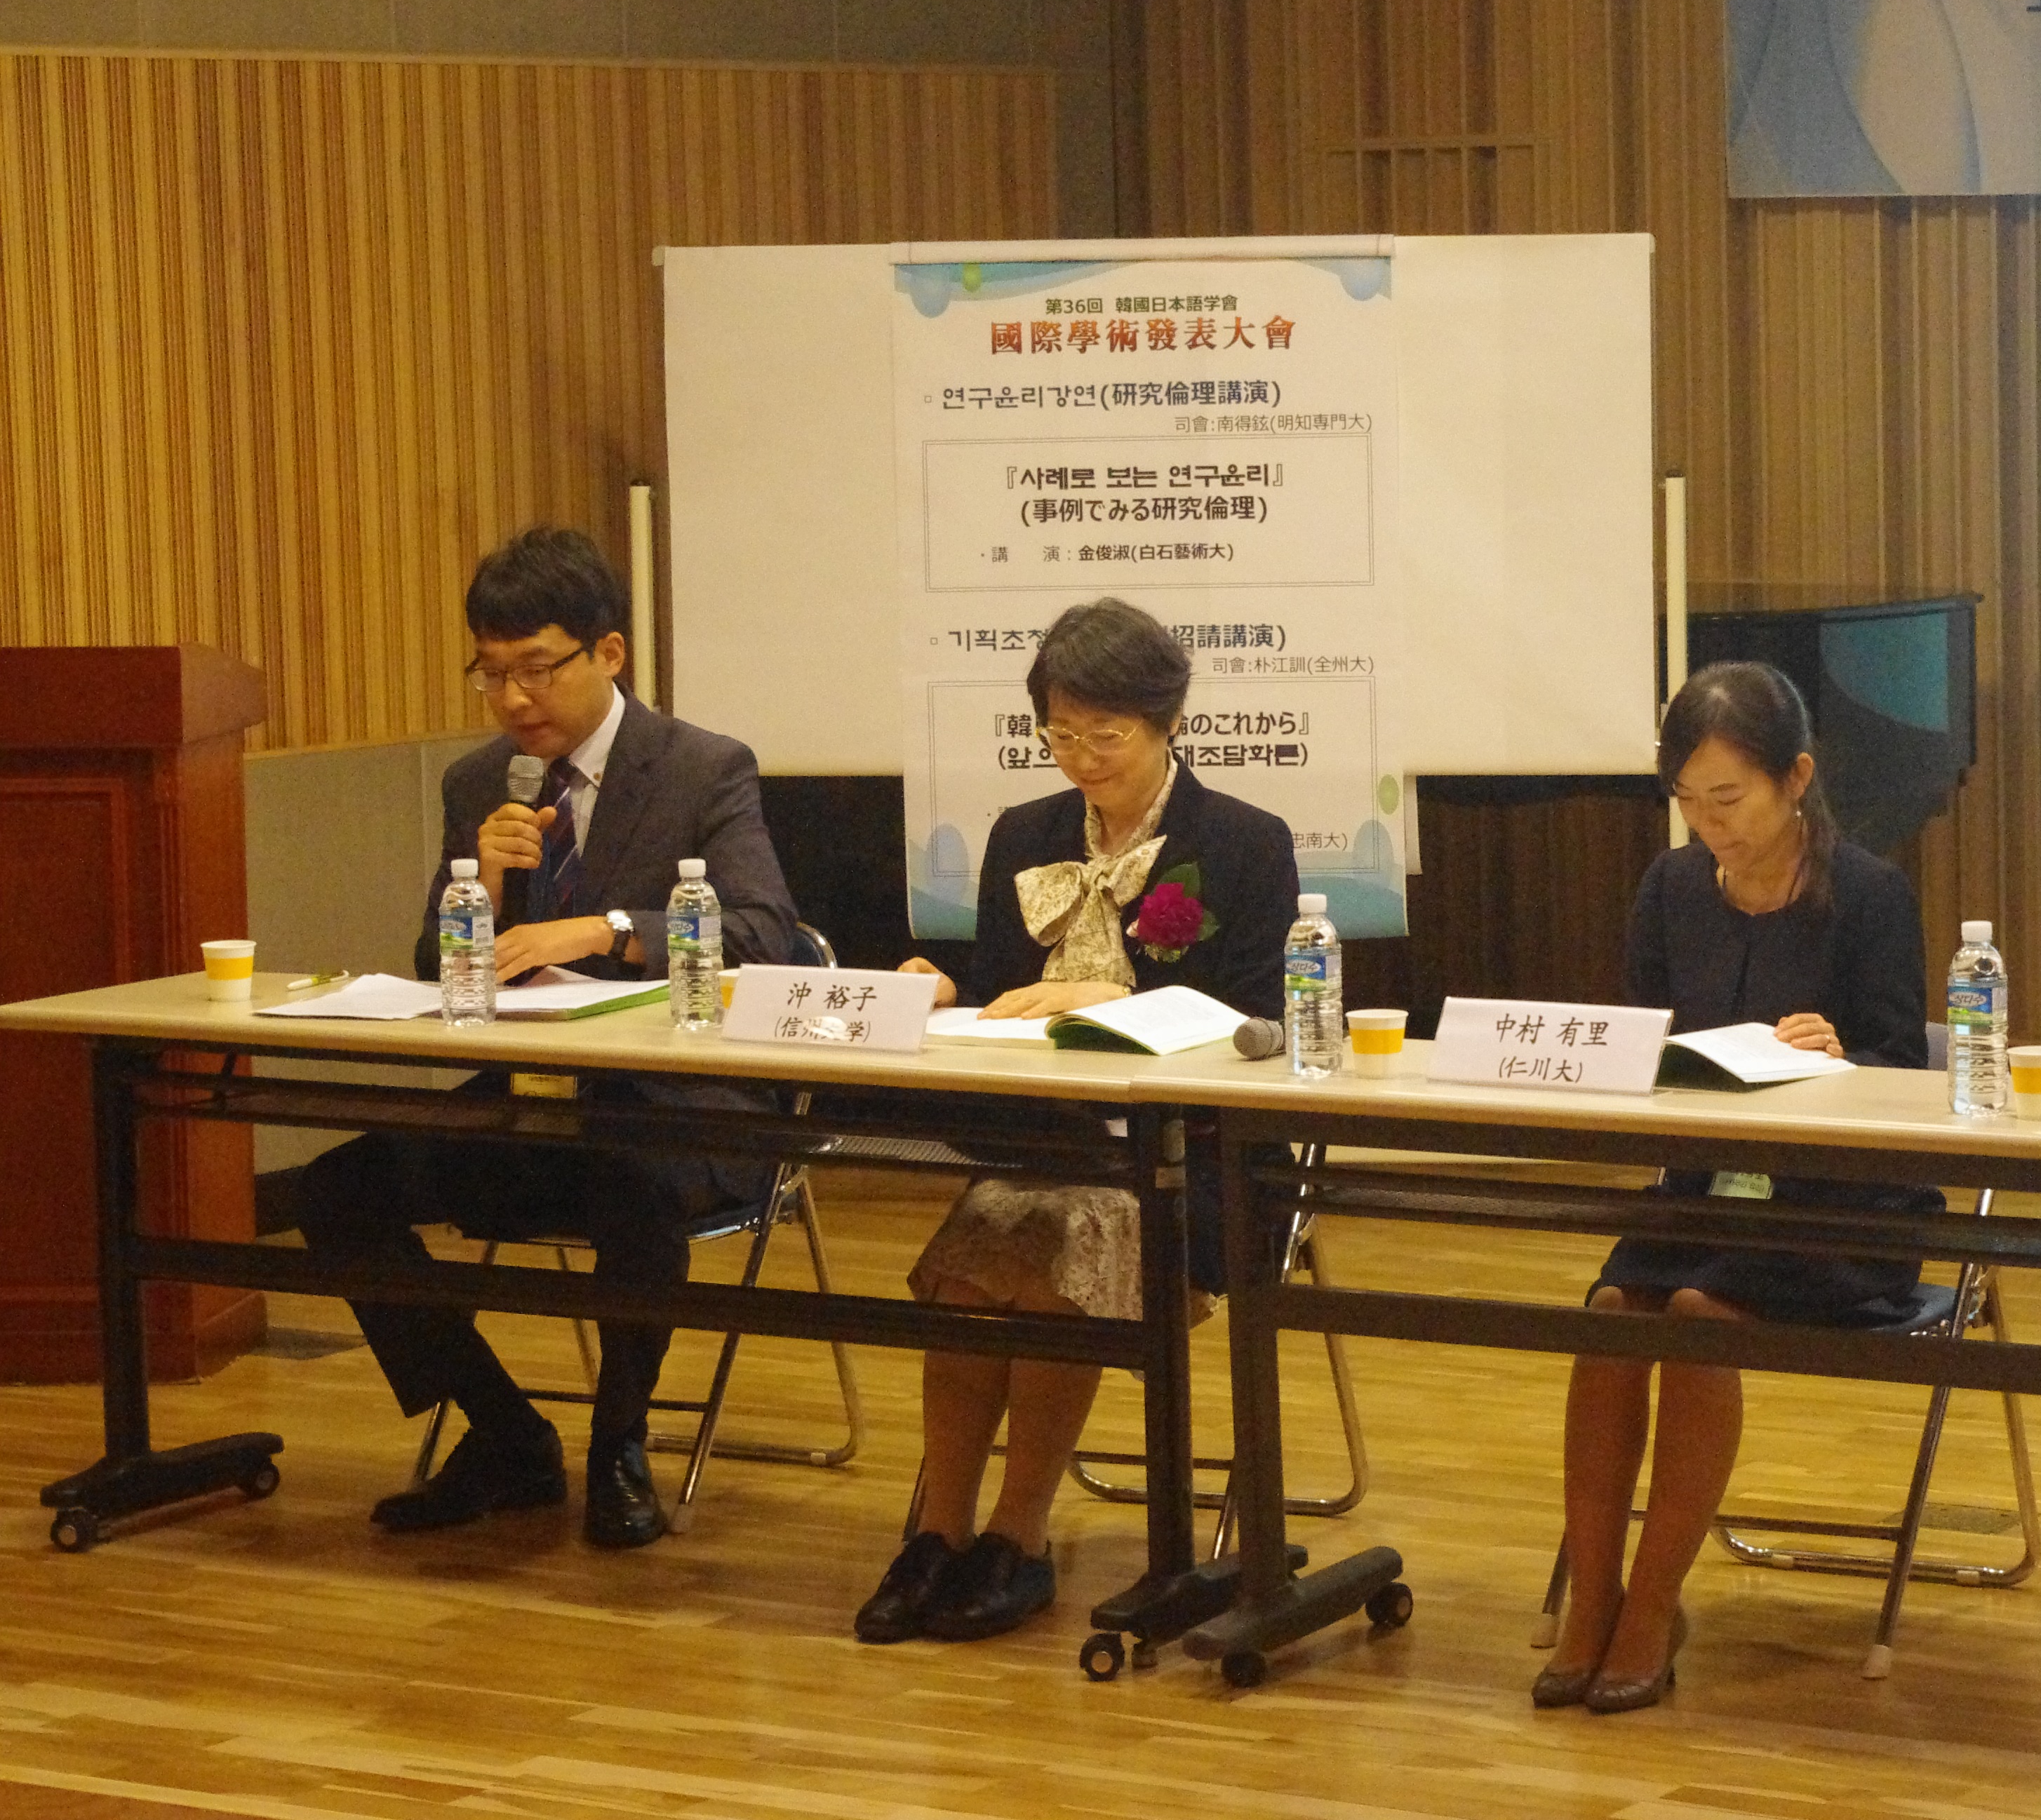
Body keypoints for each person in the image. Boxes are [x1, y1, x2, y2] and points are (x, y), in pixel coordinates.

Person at [297, 527, 802, 1549]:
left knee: (629, 1178)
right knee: (336, 1189)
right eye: (492, 674)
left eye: (537, 669)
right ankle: (505, 1432)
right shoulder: (481, 781)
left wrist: (606, 931)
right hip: (527, 1096)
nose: (514, 699)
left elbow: (764, 934)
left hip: (681, 1107)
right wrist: (476, 886)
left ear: (609, 653)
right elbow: (440, 967)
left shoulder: (703, 768)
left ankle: (620, 1442)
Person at [852, 597, 1298, 1645]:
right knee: (968, 1277)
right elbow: (1005, 999)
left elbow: (1263, 1024)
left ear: (1169, 723)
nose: (1082, 758)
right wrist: (947, 995)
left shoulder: (1245, 842)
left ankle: (1018, 1537)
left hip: (1193, 1165)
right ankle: (938, 1534)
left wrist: (1118, 999)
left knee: (1056, 1259)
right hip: (1042, 1142)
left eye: (1108, 735)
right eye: (1060, 733)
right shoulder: (1026, 834)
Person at [1536, 661, 1934, 1715]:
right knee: (1613, 1311)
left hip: (1838, 1207)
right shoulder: (1671, 888)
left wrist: (1841, 1057)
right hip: (1704, 1188)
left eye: (1731, 799)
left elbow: (1909, 1078)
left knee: (1697, 1313)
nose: (1711, 827)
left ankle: (1652, 1604)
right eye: (1690, 803)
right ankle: (1592, 1599)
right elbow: (1642, 1045)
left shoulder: (1870, 894)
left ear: (1795, 778)